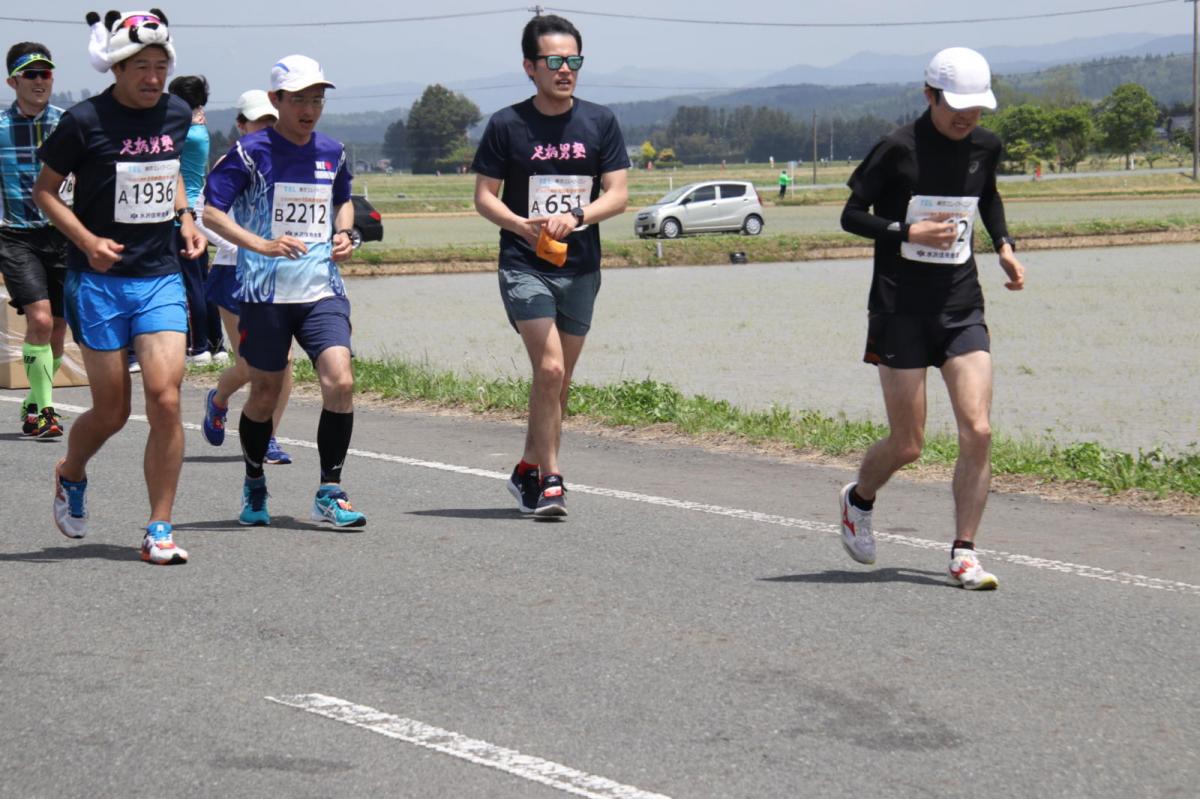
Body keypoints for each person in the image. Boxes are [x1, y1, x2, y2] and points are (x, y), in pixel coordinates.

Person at [837, 47, 1026, 590]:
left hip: (961, 304)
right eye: (957, 108)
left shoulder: (986, 146)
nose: (968, 118)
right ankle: (858, 500)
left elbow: (988, 197)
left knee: (978, 429)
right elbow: (851, 215)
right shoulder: (897, 147)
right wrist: (905, 231)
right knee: (909, 443)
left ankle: (964, 552)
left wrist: (1004, 245)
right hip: (899, 307)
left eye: (976, 108)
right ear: (929, 96)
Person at [34, 9, 203, 564]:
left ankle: (159, 527)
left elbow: (169, 169)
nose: (153, 78)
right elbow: (45, 192)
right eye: (141, 67)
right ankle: (71, 472)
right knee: (111, 411)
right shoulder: (84, 121)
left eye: (161, 66)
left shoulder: (176, 113)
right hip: (99, 282)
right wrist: (87, 241)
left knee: (166, 398)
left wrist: (184, 217)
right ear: (117, 69)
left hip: (159, 276)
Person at [472, 13, 629, 518]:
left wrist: (577, 216)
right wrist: (520, 225)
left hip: (581, 266)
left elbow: (618, 194)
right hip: (525, 263)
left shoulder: (600, 121)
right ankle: (552, 479)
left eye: (573, 61)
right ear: (530, 67)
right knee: (551, 367)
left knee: (557, 383)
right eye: (555, 61)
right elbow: (484, 196)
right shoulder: (507, 124)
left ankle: (525, 468)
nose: (565, 70)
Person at [201, 55, 365, 528]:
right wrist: (261, 245)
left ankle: (330, 491)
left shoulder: (332, 151)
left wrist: (344, 234)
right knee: (265, 392)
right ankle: (254, 480)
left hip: (321, 290)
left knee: (340, 381)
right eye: (299, 100)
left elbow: (343, 201)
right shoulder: (250, 152)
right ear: (276, 100)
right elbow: (211, 211)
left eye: (317, 100)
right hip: (264, 295)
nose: (310, 109)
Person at [197, 89, 292, 465]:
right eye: (259, 121)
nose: (267, 128)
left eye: (272, 121)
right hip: (233, 270)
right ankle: (218, 399)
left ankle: (269, 438)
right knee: (252, 365)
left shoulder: (290, 162)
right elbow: (205, 216)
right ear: (241, 125)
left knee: (283, 360)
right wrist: (246, 246)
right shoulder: (231, 162)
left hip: (277, 271)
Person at [0, 42, 69, 438]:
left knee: (57, 329)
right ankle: (45, 413)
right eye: (31, 74)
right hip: (15, 235)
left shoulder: (67, 124)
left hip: (62, 234)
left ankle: (32, 400)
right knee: (39, 319)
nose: (40, 81)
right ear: (14, 82)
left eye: (46, 73)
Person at [167, 73, 224, 365]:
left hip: (181, 215)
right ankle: (217, 345)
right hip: (196, 211)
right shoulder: (199, 128)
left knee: (189, 284)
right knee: (202, 281)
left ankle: (197, 346)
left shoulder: (182, 131)